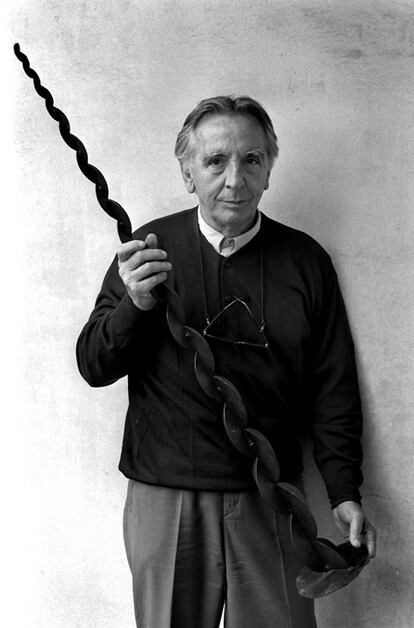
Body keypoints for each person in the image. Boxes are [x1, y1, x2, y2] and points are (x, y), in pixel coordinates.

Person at [76, 96, 376, 628]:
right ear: (188, 173)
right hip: (165, 494)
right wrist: (135, 306)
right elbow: (93, 364)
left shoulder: (305, 262)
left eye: (252, 160)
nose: (234, 179)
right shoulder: (149, 251)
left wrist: (344, 489)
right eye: (215, 161)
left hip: (270, 497)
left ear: (268, 173)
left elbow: (332, 388)